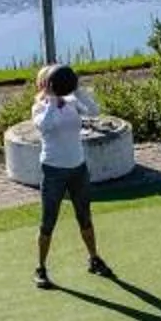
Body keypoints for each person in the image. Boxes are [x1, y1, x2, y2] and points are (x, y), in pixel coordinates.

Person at [30, 63, 112, 290]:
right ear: (44, 85)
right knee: (48, 221)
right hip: (53, 170)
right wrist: (51, 99)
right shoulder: (39, 108)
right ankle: (41, 268)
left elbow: (94, 111)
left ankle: (94, 258)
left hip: (78, 168)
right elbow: (45, 127)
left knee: (84, 217)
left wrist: (77, 88)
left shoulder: (73, 103)